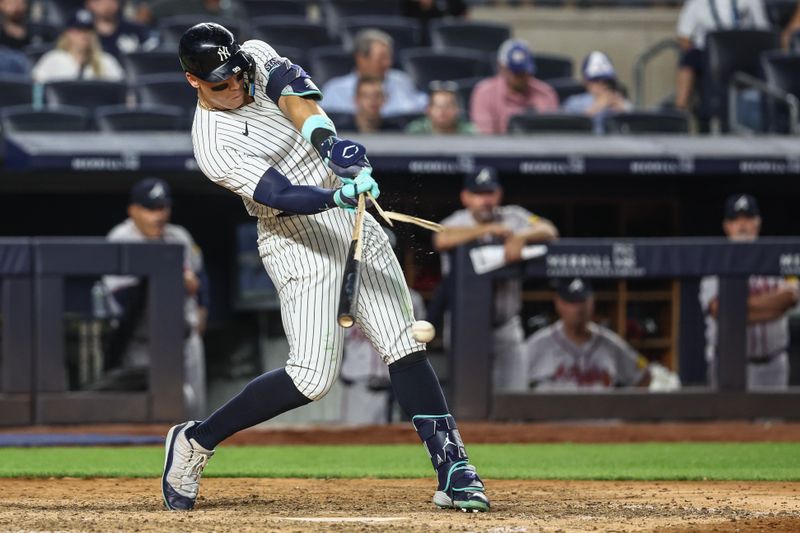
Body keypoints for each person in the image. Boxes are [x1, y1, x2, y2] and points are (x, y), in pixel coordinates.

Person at [161, 22, 489, 513]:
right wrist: (335, 192)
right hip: (292, 237)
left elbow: (297, 99)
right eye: (220, 82)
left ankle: (454, 466)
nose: (235, 86)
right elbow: (278, 193)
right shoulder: (211, 143)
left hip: (349, 216)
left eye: (237, 75)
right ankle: (196, 440)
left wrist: (335, 149)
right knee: (312, 378)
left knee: (403, 342)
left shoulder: (252, 54)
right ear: (194, 82)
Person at [433, 167, 559, 392]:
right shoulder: (455, 221)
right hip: (465, 326)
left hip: (506, 326)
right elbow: (441, 239)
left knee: (514, 396)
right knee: (468, 399)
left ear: (498, 194)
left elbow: (549, 229)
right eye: (478, 194)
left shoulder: (514, 216)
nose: (485, 200)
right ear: (466, 197)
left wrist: (522, 235)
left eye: (489, 193)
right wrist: (486, 230)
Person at [102, 178, 208, 418]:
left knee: (192, 410)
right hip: (142, 343)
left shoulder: (178, 236)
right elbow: (124, 298)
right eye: (151, 209)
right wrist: (169, 279)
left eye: (163, 208)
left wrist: (203, 308)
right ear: (134, 211)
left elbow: (201, 275)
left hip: (185, 340)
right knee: (144, 412)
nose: (159, 216)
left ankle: (191, 453)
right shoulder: (121, 239)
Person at [699, 194, 798, 390]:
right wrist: (771, 307)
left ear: (758, 223)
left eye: (748, 219)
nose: (742, 226)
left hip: (773, 364)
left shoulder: (776, 256)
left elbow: (791, 297)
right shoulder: (714, 261)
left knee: (773, 421)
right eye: (736, 220)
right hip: (729, 365)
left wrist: (740, 308)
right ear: (727, 226)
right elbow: (719, 310)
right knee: (729, 420)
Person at [339, 228, 426, 425]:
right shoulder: (343, 298)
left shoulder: (411, 299)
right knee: (355, 447)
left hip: (398, 390)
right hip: (359, 390)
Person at [525, 278, 651, 391]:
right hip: (556, 416)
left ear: (592, 302)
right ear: (558, 303)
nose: (578, 309)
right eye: (572, 302)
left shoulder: (610, 343)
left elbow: (644, 375)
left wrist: (624, 412)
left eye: (582, 301)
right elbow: (512, 381)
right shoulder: (537, 344)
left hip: (599, 416)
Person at [675, 0, 769, 112]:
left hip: (743, 52)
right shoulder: (696, 2)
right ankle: (680, 109)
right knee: (689, 58)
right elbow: (684, 36)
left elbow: (764, 30)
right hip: (707, 54)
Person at [321, 29, 427, 117]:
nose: (388, 63)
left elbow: (422, 106)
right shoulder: (335, 90)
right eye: (381, 58)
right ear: (361, 58)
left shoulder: (402, 81)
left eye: (389, 58)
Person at [470, 39, 559, 134]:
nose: (521, 77)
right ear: (502, 68)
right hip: (498, 148)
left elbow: (552, 135)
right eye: (516, 72)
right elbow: (485, 138)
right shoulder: (485, 93)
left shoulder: (545, 93)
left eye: (524, 72)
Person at [31, 9, 124, 83]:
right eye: (79, 30)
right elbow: (37, 91)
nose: (84, 35)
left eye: (88, 30)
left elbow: (122, 92)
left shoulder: (106, 61)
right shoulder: (53, 59)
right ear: (67, 33)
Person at [562, 51, 631, 134]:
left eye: (607, 81)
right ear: (585, 81)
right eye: (596, 80)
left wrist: (623, 113)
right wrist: (597, 107)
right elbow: (567, 128)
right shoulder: (574, 103)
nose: (602, 84)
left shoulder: (619, 100)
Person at [85, 0, 159, 61]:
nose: (107, 5)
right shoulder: (82, 33)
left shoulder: (135, 30)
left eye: (112, 0)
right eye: (100, 1)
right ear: (89, 4)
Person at [333, 76, 406, 133]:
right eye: (366, 96)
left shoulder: (395, 131)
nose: (372, 100)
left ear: (384, 99)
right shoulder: (341, 131)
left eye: (377, 95)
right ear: (356, 100)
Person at [406, 81, 476, 134]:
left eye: (448, 106)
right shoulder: (416, 131)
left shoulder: (469, 132)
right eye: (438, 106)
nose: (442, 111)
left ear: (457, 109)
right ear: (428, 109)